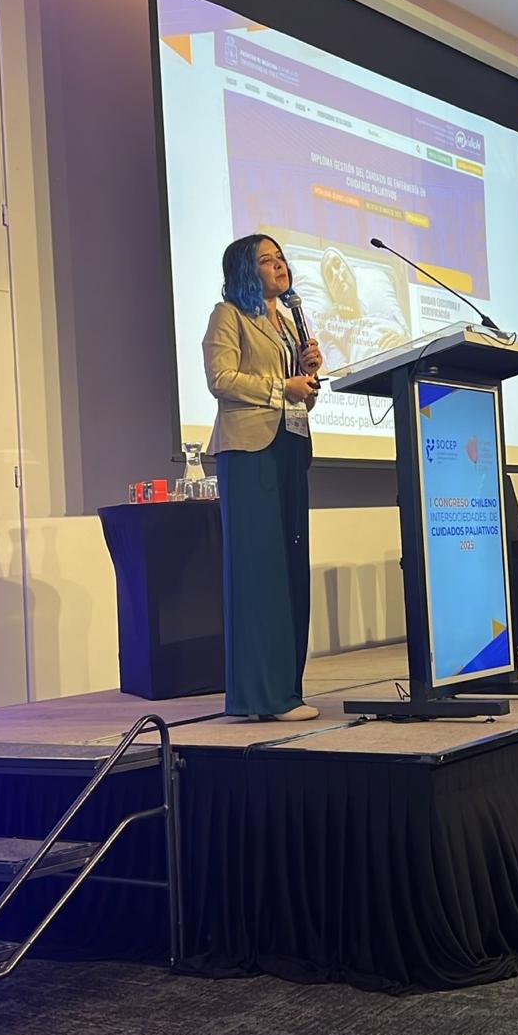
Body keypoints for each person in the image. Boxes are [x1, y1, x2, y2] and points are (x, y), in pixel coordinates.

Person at [203, 234, 323, 722]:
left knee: (291, 567)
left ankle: (286, 689)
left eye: (281, 258)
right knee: (261, 571)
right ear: (245, 272)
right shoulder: (228, 315)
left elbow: (300, 395)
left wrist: (308, 378)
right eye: (267, 260)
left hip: (290, 446)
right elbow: (220, 379)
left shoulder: (289, 322)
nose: (279, 266)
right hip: (249, 451)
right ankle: (262, 697)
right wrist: (282, 386)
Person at [318, 246, 410, 369]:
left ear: (351, 272)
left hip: (404, 363)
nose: (336, 274)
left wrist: (403, 342)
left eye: (338, 264)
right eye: (330, 275)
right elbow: (340, 369)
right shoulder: (331, 330)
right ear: (330, 292)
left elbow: (410, 343)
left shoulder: (385, 316)